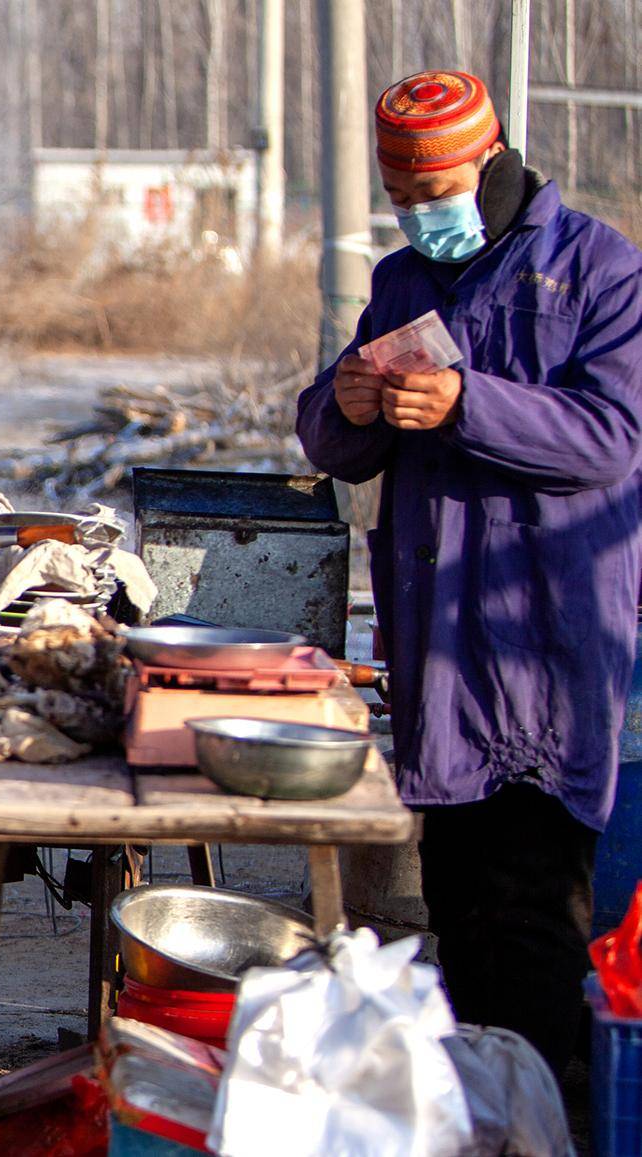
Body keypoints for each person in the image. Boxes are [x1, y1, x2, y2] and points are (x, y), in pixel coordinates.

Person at [297, 70, 642, 1073]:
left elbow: (611, 436)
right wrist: (345, 405)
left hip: (543, 638)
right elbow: (333, 438)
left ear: (489, 164)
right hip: (436, 652)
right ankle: (486, 1107)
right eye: (402, 200)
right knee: (455, 900)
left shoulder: (598, 270)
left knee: (531, 909)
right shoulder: (403, 281)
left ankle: (547, 1111)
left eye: (433, 195)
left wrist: (463, 404)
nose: (419, 217)